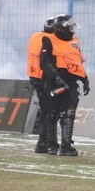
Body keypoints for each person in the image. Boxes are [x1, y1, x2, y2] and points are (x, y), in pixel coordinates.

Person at [40, 14, 90, 156]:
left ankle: (66, 146)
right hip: (53, 82)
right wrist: (57, 79)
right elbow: (44, 63)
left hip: (71, 83)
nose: (73, 30)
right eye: (70, 27)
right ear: (62, 29)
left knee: (69, 113)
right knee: (52, 113)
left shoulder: (75, 41)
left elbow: (77, 61)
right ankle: (51, 145)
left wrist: (85, 79)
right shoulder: (48, 40)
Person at [26, 16, 56, 153]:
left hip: (35, 77)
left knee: (46, 110)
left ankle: (45, 142)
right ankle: (44, 143)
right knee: (49, 111)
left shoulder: (36, 36)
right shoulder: (48, 40)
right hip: (45, 78)